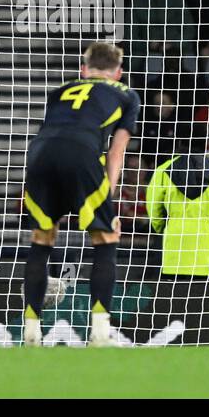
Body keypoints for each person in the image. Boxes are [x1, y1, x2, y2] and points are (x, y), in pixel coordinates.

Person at [21, 42, 138, 347]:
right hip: (82, 153)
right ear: (118, 73)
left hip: (40, 155)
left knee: (42, 239)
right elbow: (116, 151)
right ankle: (99, 333)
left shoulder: (60, 90)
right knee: (105, 238)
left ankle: (31, 330)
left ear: (83, 70)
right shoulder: (125, 94)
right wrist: (108, 203)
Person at [146, 148, 209, 277]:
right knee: (202, 296)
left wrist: (163, 228)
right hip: (205, 248)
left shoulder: (163, 170)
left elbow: (153, 209)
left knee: (170, 295)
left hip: (172, 248)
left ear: (179, 142)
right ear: (205, 143)